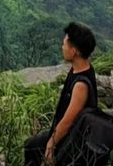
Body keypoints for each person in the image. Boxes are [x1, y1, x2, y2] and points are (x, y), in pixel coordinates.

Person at [24, 22, 99, 166]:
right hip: (66, 135)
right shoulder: (80, 68)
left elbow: (68, 121)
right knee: (31, 145)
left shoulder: (80, 85)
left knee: (32, 148)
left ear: (74, 51)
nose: (62, 46)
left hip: (70, 141)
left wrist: (51, 143)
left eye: (65, 43)